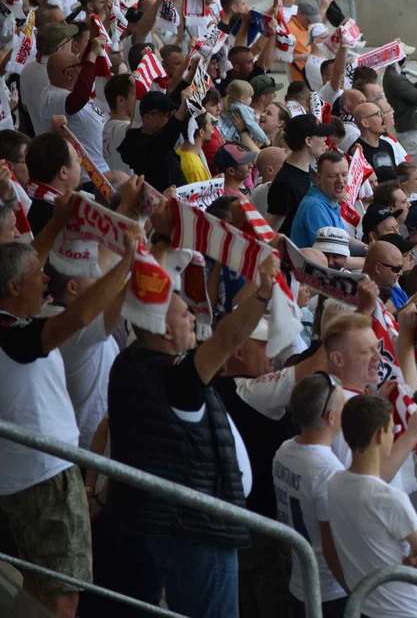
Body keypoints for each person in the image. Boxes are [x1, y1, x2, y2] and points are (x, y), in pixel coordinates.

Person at [108, 252, 280, 617]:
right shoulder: (176, 378)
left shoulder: (129, 361)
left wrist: (159, 246)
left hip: (163, 522)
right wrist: (263, 293)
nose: (193, 318)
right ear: (166, 332)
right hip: (198, 532)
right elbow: (227, 339)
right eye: (185, 314)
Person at [0, 208, 136, 618]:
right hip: (44, 479)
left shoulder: (12, 320)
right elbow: (77, 316)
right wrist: (130, 259)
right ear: (12, 287)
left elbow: (22, 261)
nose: (45, 278)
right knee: (63, 597)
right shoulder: (17, 336)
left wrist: (59, 222)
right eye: (36, 275)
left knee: (40, 586)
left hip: (29, 475)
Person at [327, 394, 417, 617]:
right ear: (381, 435)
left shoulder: (334, 484)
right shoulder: (389, 498)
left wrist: (410, 551)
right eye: (392, 430)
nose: (393, 436)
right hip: (405, 611)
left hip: (365, 608)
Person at [271, 372, 349, 618]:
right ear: (331, 417)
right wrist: (355, 590)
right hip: (330, 594)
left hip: (299, 583)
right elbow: (330, 546)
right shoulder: (328, 471)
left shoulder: (285, 450)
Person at [40, 27, 110, 182]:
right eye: (78, 67)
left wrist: (92, 44)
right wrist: (92, 55)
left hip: (102, 170)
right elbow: (78, 99)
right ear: (68, 73)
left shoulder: (64, 86)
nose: (82, 69)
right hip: (89, 178)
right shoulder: (53, 96)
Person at [267, 115, 332, 234]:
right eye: (321, 136)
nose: (325, 140)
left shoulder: (308, 170)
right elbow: (269, 233)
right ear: (308, 141)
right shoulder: (285, 184)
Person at [118, 91, 194, 192]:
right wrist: (179, 115)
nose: (169, 118)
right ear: (148, 118)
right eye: (166, 115)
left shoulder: (158, 136)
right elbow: (163, 141)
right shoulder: (136, 144)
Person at [383, 55, 417, 178]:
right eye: (406, 57)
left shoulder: (396, 75)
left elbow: (411, 91)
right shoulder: (394, 78)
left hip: (411, 130)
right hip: (410, 133)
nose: (408, 60)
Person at [24, 127, 81, 234]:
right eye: (77, 160)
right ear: (63, 172)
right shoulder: (57, 219)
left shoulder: (26, 199)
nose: (81, 161)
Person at [290, 151, 349, 249]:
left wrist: (367, 248)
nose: (341, 181)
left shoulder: (330, 202)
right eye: (333, 176)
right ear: (318, 178)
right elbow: (333, 257)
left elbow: (344, 239)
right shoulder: (314, 206)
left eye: (344, 174)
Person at [102, 74, 135, 173]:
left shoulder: (108, 125)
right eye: (136, 96)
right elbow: (137, 126)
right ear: (121, 100)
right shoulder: (120, 129)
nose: (139, 100)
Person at [175, 112, 213, 184]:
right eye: (210, 124)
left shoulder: (180, 151)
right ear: (201, 132)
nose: (212, 128)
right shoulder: (194, 169)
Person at [251, 146, 286, 215]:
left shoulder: (260, 180)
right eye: (285, 165)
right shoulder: (266, 189)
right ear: (270, 170)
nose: (289, 169)